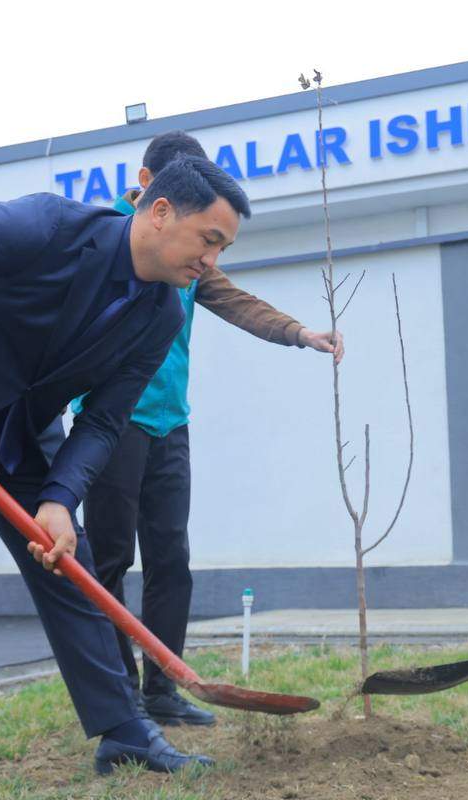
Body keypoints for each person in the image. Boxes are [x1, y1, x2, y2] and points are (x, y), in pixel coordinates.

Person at [0, 155, 248, 800]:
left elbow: (102, 420)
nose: (212, 260)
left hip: (18, 428)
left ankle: (123, 732)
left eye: (224, 247)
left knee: (71, 564)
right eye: (209, 240)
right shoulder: (45, 226)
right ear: (159, 212)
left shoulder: (160, 318)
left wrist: (60, 498)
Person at [75, 131, 343, 727]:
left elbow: (234, 299)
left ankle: (163, 691)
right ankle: (119, 698)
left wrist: (300, 333)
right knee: (110, 559)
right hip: (107, 422)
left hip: (170, 421)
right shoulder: (108, 235)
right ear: (150, 187)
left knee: (171, 557)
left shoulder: (191, 258)